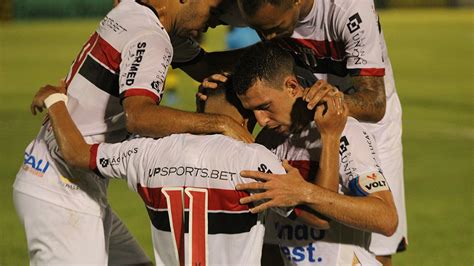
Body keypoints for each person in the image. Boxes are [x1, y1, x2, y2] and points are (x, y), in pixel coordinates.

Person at [13, 0, 255, 264]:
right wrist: (219, 123)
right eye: (214, 9)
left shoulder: (136, 12)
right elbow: (139, 116)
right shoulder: (151, 37)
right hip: (62, 190)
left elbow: (206, 67)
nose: (216, 20)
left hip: (61, 176)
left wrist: (278, 50)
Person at [28, 78, 347, 265]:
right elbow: (321, 216)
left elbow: (75, 153)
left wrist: (56, 100)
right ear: (243, 119)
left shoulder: (144, 151)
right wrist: (330, 136)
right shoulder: (254, 161)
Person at [232, 42, 398, 265]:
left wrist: (304, 192)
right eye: (252, 110)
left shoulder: (344, 131)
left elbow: (386, 218)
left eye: (265, 106)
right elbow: (272, 237)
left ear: (292, 86)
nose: (261, 120)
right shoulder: (266, 142)